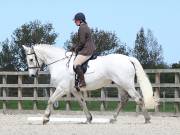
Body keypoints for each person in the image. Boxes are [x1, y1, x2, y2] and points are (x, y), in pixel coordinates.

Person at [70, 12, 96, 88]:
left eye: (76, 20)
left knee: (76, 63)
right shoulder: (85, 26)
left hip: (87, 50)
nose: (75, 22)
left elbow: (82, 42)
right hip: (88, 48)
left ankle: (82, 81)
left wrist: (76, 49)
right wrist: (74, 47)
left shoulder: (82, 28)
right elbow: (81, 41)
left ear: (80, 20)